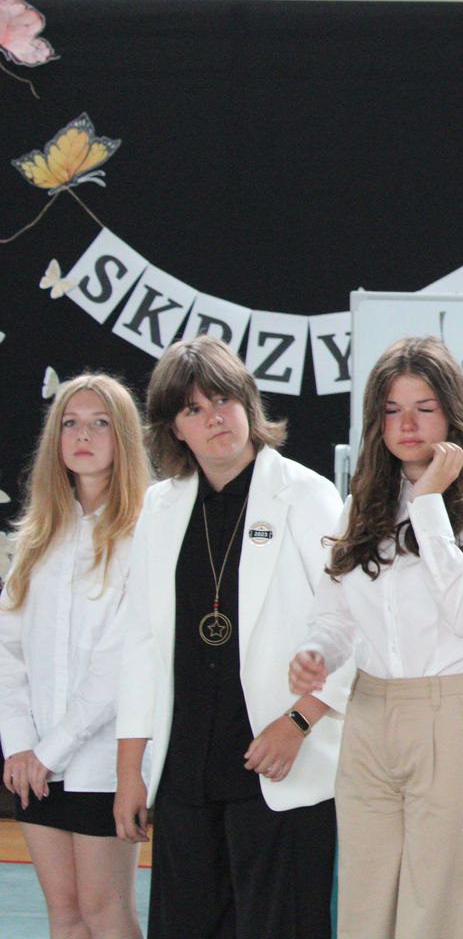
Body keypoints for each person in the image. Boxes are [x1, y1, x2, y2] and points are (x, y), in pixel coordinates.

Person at [113, 335, 351, 939]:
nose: (214, 418)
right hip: (184, 775)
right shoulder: (159, 508)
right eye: (193, 409)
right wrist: (130, 772)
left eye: (223, 399)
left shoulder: (307, 494)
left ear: (248, 403)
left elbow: (355, 624)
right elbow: (140, 646)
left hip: (278, 763)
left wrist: (297, 723)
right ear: (175, 429)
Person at [289, 336, 463, 939]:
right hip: (367, 714)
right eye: (392, 410)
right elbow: (335, 617)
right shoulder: (363, 506)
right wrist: (316, 654)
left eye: (424, 408)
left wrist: (429, 503)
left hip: (454, 709)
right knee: (364, 909)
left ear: (453, 413)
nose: (407, 424)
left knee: (445, 910)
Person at [0, 374, 148, 939]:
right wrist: (21, 746)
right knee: (64, 916)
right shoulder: (38, 537)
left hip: (102, 763)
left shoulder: (142, 534)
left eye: (99, 423)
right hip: (34, 763)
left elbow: (120, 664)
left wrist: (52, 750)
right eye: (71, 423)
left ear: (123, 437)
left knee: (105, 913)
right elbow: (8, 651)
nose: (83, 435)